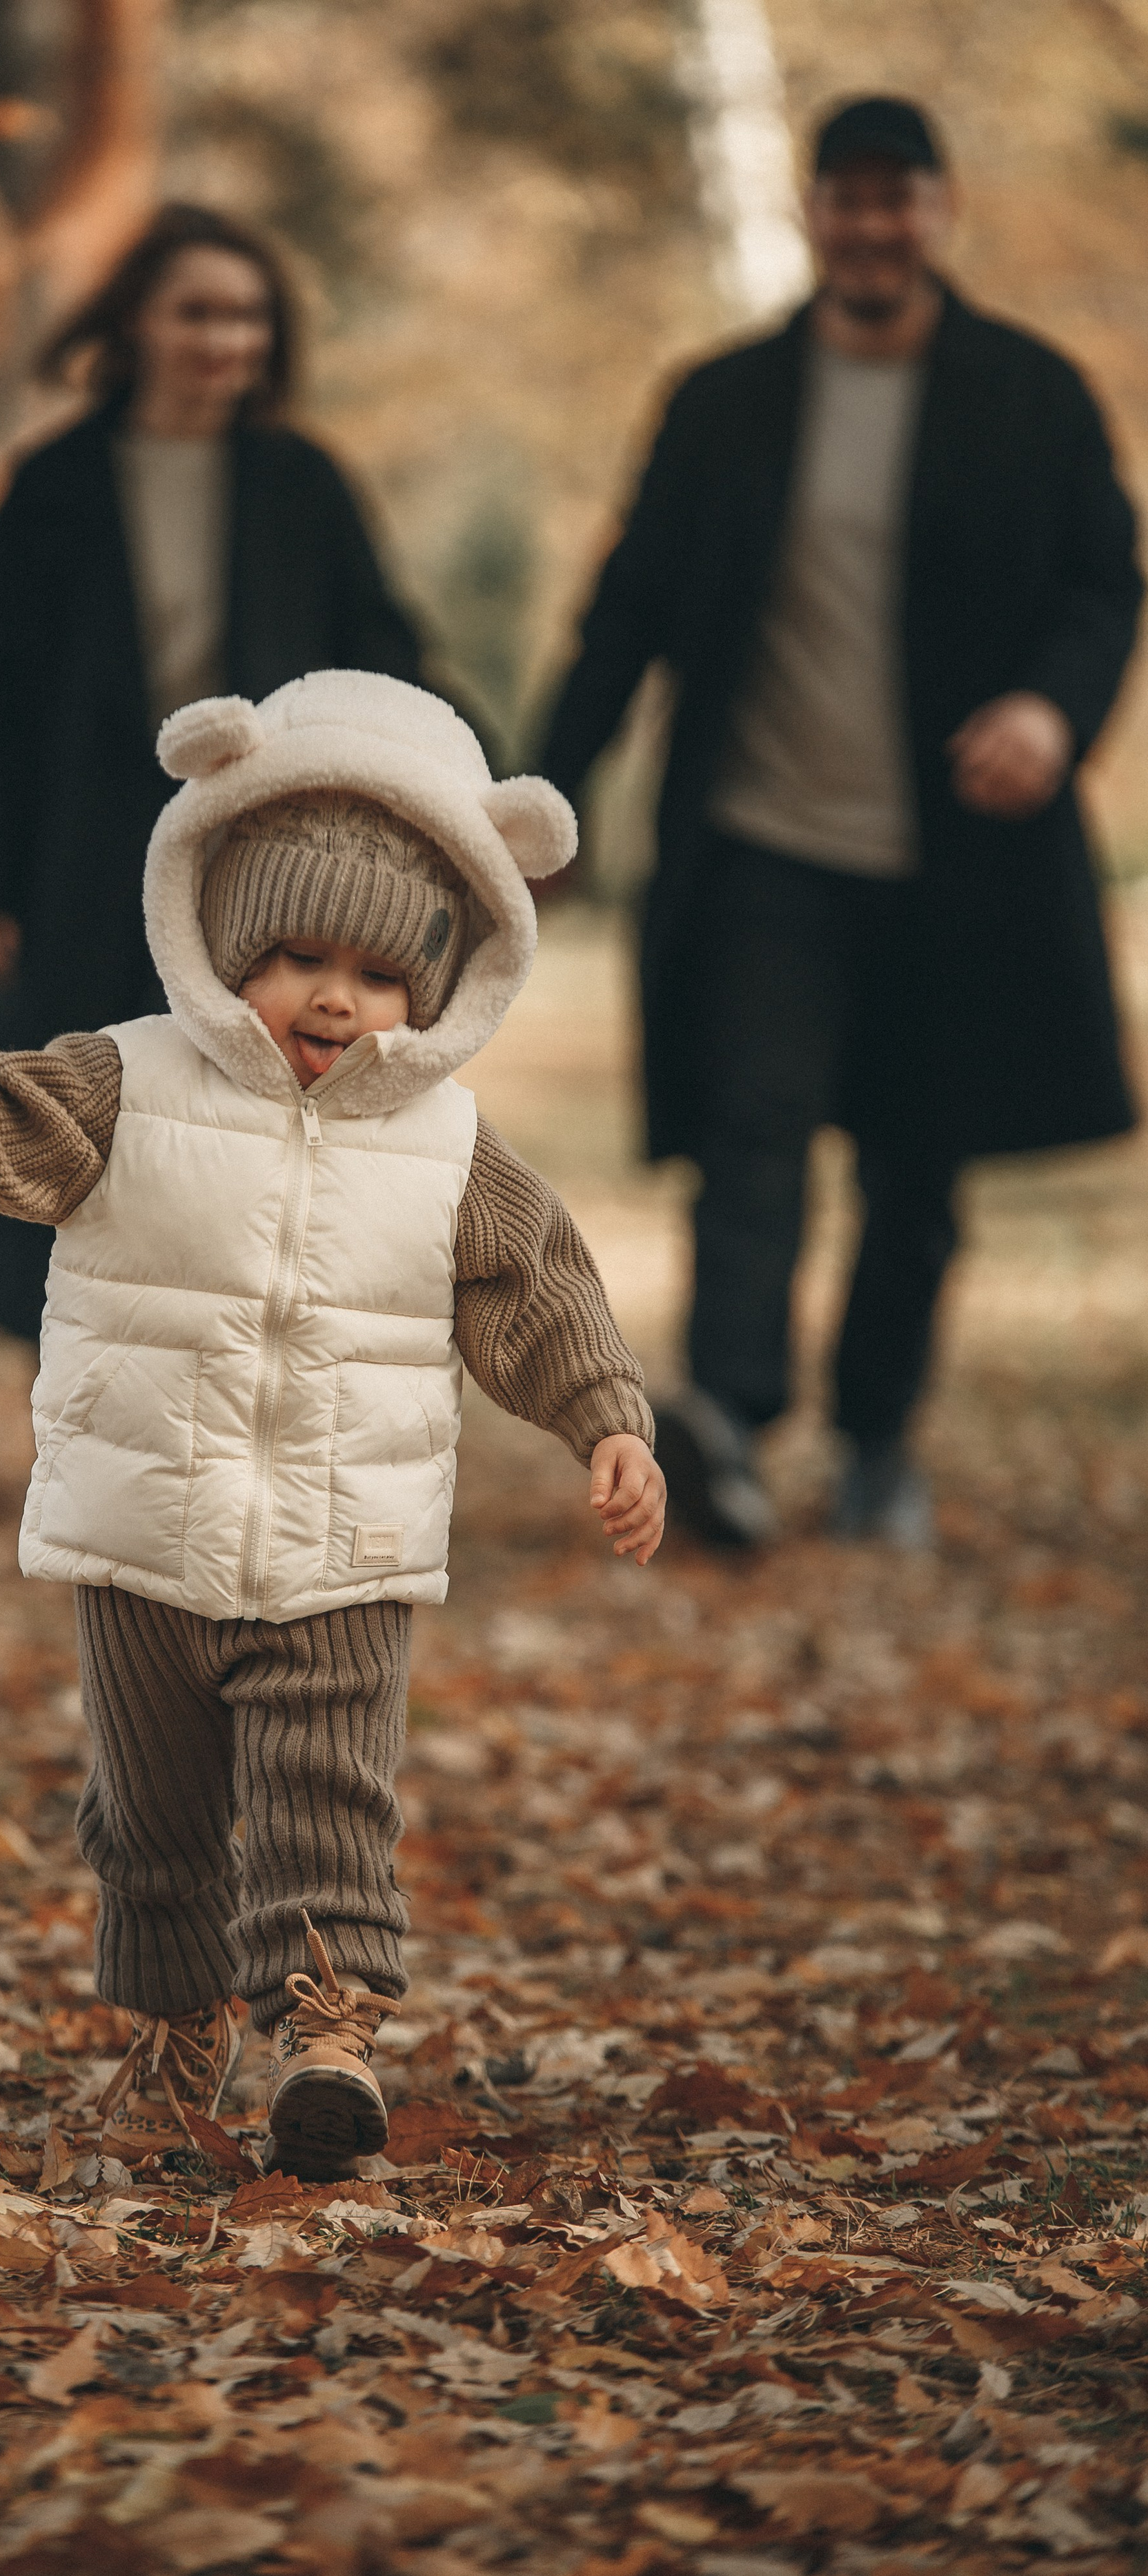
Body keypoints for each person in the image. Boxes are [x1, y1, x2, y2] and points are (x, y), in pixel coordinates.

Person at [0, 670, 664, 2179]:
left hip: (344, 1539)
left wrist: (606, 1420)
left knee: (325, 1793)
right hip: (142, 1528)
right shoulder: (127, 1079)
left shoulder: (446, 1148)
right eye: (290, 955)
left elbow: (535, 1292)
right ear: (225, 940)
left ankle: (326, 2034)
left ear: (436, 980)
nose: (328, 997)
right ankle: (169, 2046)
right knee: (147, 1814)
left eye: (370, 970)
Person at [537, 95, 1142, 1548]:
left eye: (898, 198)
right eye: (845, 198)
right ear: (813, 213)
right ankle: (729, 1428)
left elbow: (1104, 583)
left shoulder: (1029, 392)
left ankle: (874, 1441)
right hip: (760, 840)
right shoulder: (722, 401)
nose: (870, 224)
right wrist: (541, 801)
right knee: (749, 1129)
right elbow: (626, 614)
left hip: (952, 858)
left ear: (938, 212)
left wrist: (1051, 714)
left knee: (912, 1166)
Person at [0, 203, 428, 1341]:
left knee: (220, 1126)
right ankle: (63, 1379)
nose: (227, 341)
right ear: (140, 324)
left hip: (253, 865)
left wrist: (464, 794)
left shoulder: (305, 483)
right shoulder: (54, 481)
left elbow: (390, 651)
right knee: (74, 1112)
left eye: (249, 317)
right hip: (78, 847)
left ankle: (197, 1369)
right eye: (199, 313)